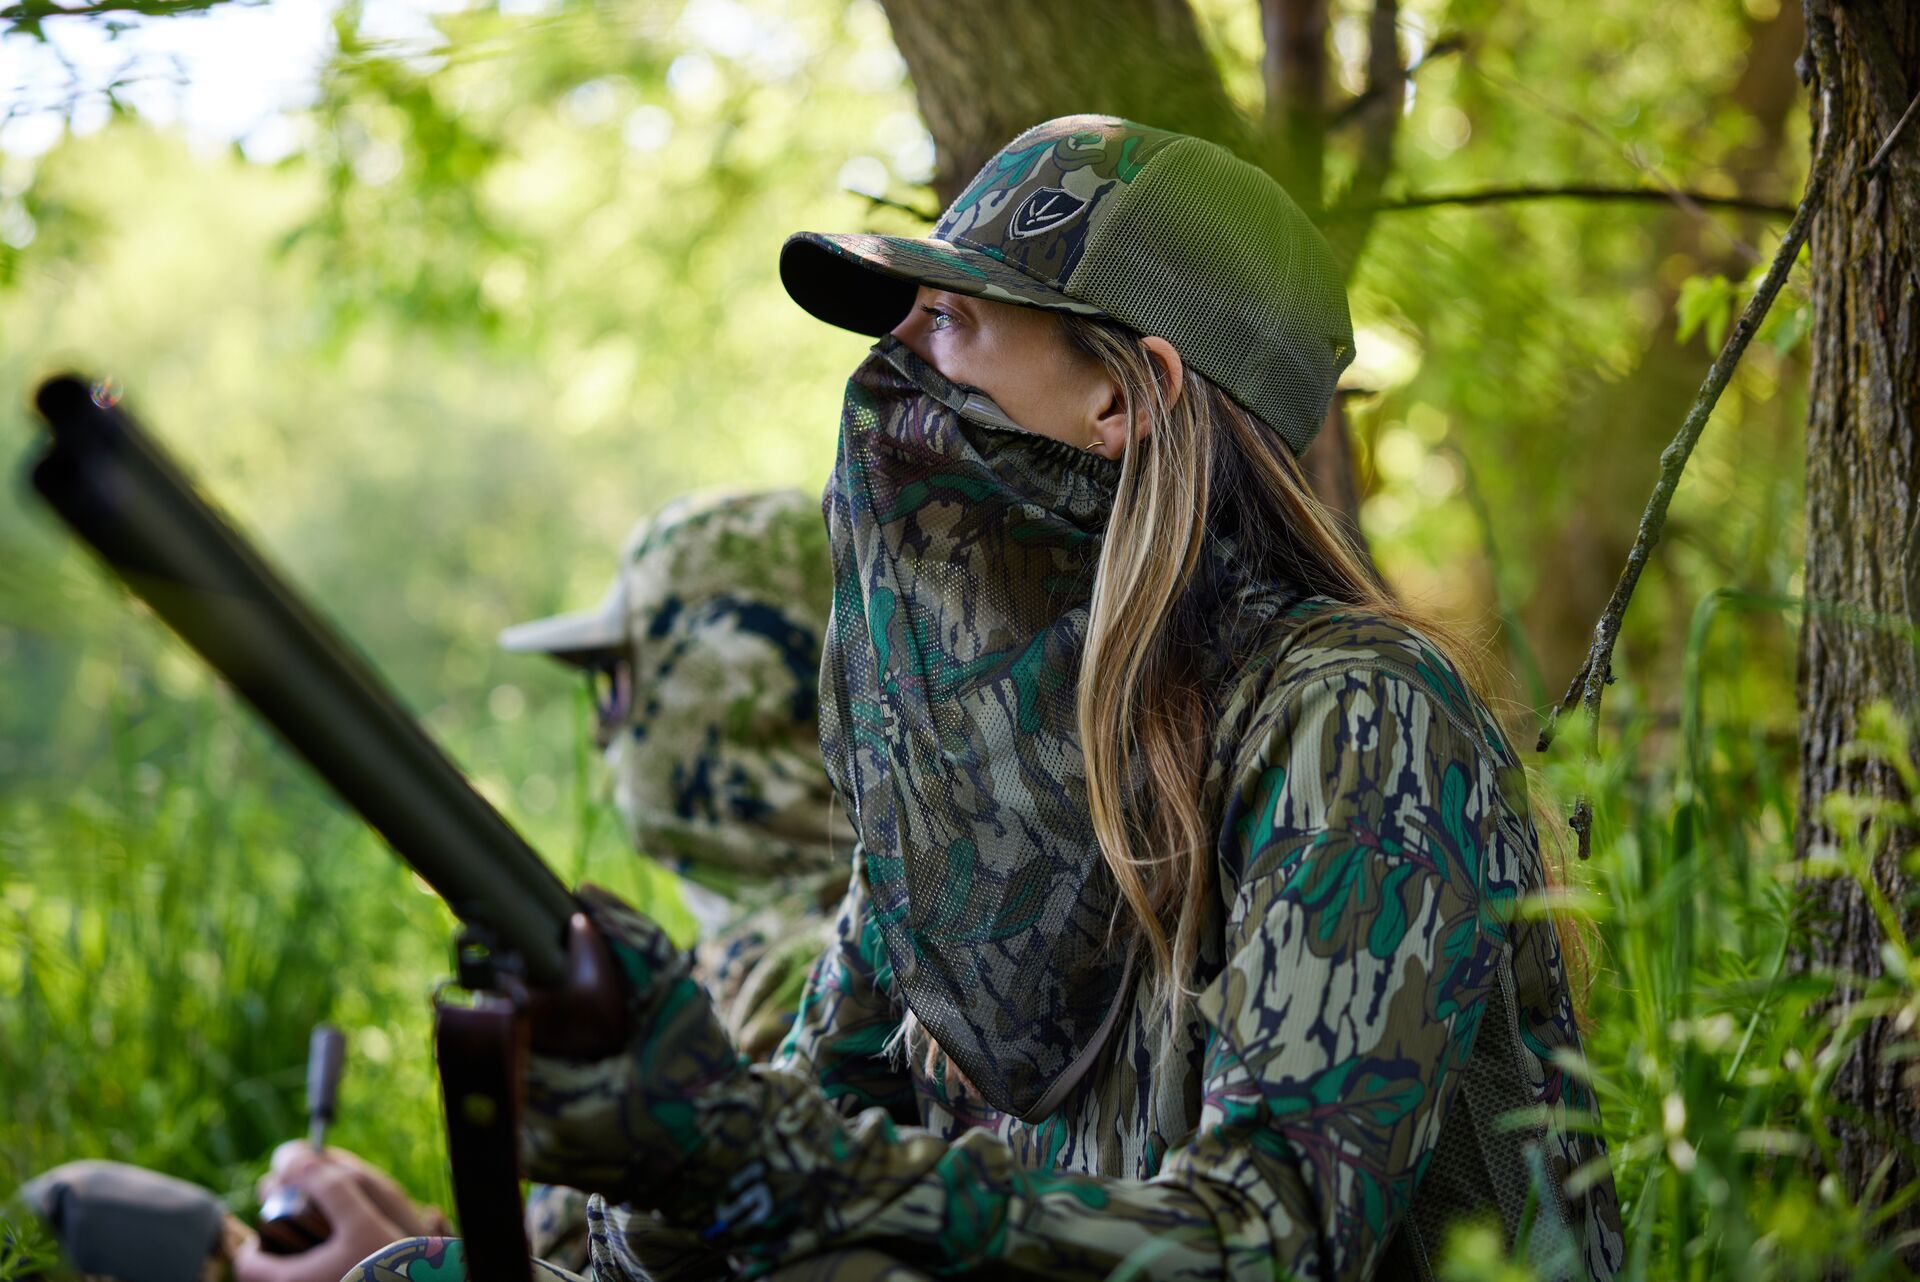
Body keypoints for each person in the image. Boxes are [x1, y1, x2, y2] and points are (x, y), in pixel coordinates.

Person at [356, 114, 1627, 1282]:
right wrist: (653, 1139)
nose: (893, 364)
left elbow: (1263, 1243)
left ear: (1125, 396)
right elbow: (771, 1209)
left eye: (953, 322)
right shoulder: (962, 790)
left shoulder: (1355, 720)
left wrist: (748, 1156)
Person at [15, 489, 847, 1282]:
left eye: (618, 683)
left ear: (725, 691)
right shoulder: (752, 957)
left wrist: (385, 1272)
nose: (603, 732)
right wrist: (428, 1242)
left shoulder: (810, 976)